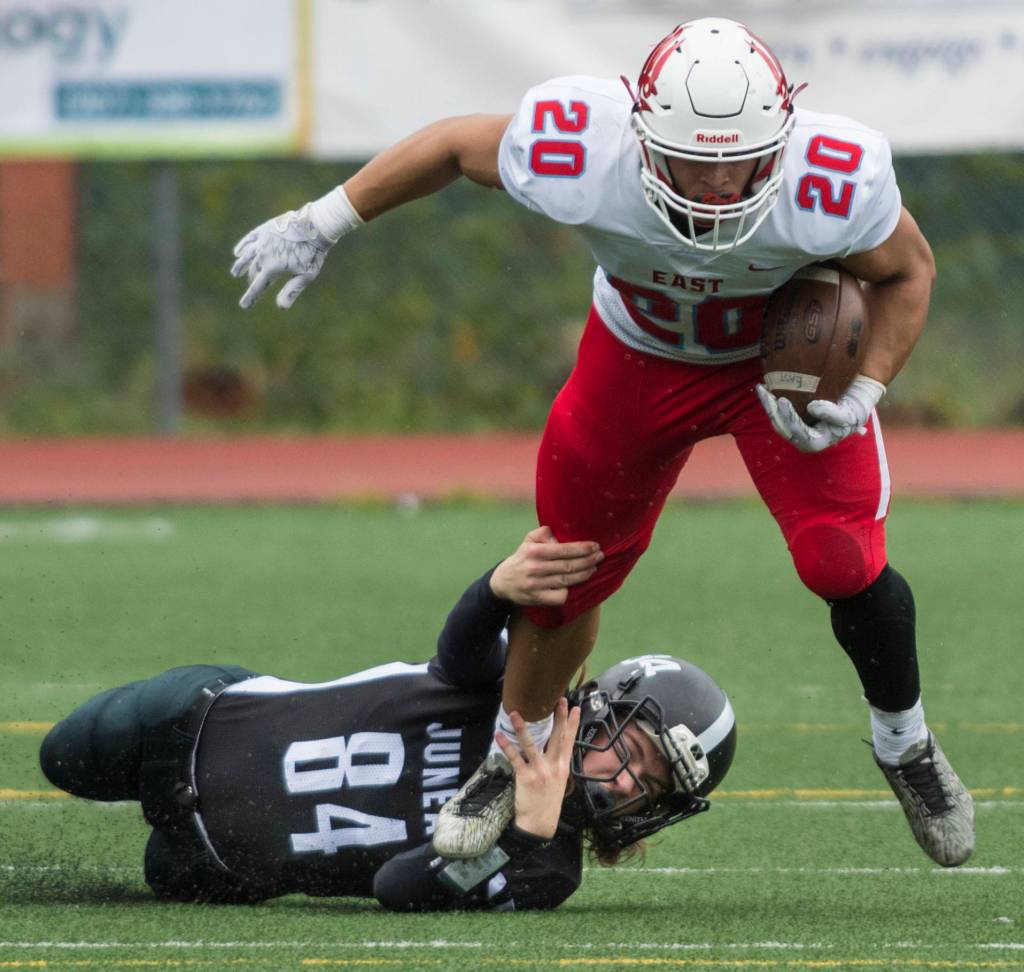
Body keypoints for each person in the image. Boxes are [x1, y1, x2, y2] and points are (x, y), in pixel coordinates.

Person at [229, 17, 973, 867]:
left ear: (786, 138)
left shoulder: (832, 178)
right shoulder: (581, 148)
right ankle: (514, 752)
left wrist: (869, 385)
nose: (720, 185)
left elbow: (908, 272)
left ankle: (904, 744)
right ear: (640, 132)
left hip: (773, 366)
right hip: (639, 355)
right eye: (695, 159)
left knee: (842, 560)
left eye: (742, 160)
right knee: (560, 573)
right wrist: (327, 219)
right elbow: (449, 145)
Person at [39, 527, 736, 911]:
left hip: (216, 867)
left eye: (650, 785)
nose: (623, 783)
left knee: (155, 878)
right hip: (202, 721)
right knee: (59, 757)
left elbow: (397, 887)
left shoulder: (547, 872)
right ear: (602, 709)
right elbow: (459, 651)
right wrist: (496, 587)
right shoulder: (519, 696)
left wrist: (521, 833)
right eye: (634, 751)